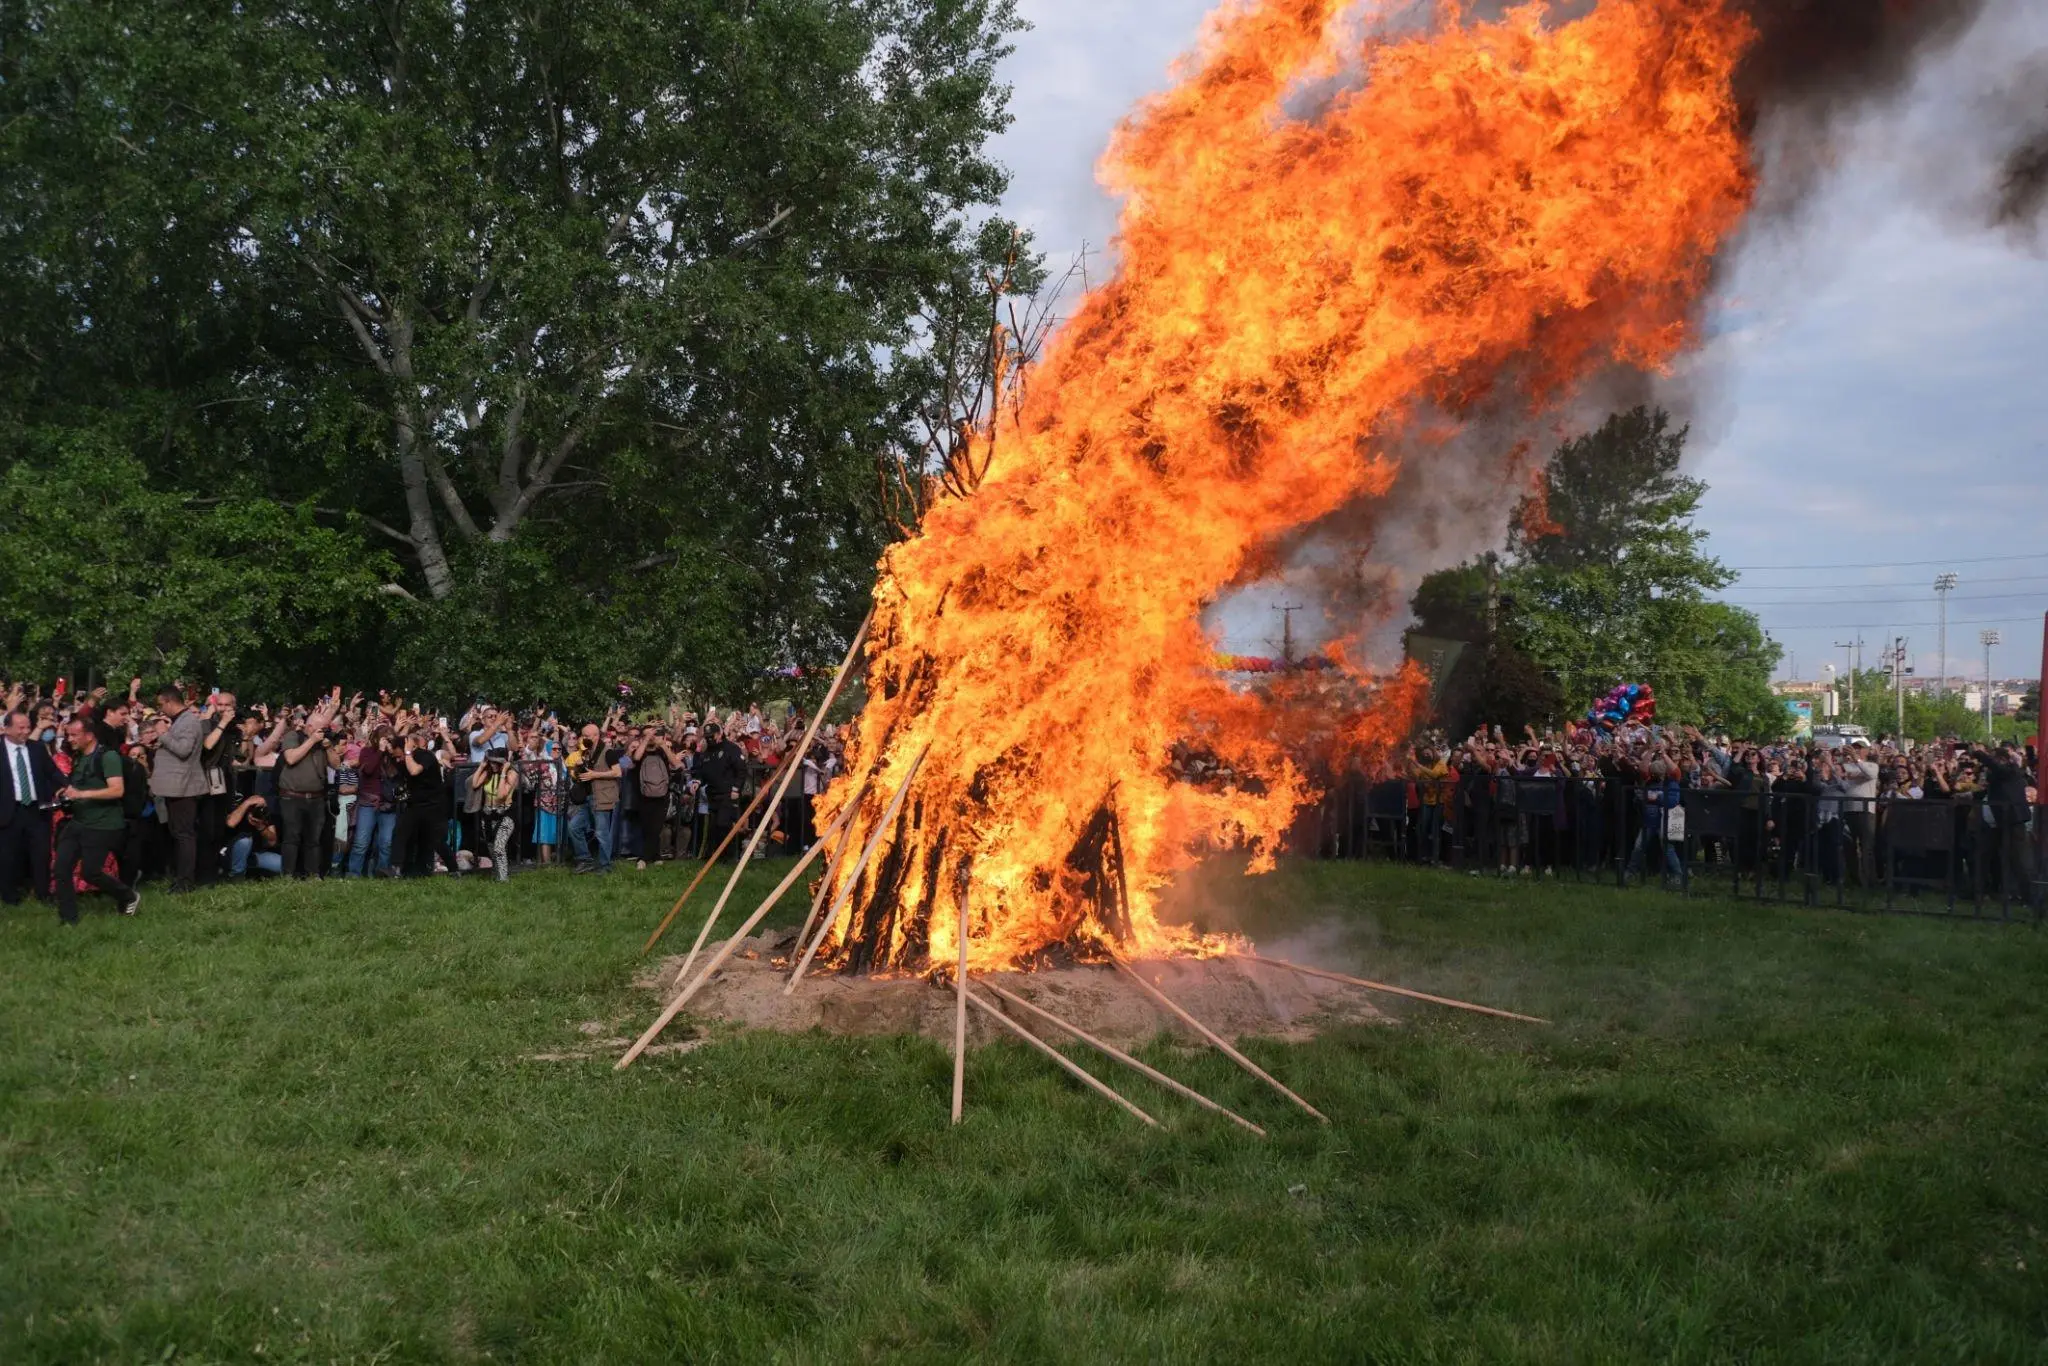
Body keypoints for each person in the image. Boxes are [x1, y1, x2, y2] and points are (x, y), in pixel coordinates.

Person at [53, 716, 141, 922]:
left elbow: (117, 790)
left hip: (102, 824)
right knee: (61, 868)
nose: (70, 739)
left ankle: (128, 896)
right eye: (68, 734)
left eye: (75, 735)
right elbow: (81, 785)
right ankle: (68, 919)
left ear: (90, 736)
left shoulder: (108, 757)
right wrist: (66, 791)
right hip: (78, 822)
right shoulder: (79, 757)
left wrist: (82, 795)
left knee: (90, 873)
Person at [263, 691, 339, 879]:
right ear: (310, 726)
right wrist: (312, 741)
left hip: (316, 798)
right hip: (292, 797)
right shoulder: (293, 736)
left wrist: (328, 747)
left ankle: (313, 874)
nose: (322, 732)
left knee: (314, 840)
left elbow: (337, 765)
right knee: (292, 838)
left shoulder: (323, 742)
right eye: (320, 728)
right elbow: (290, 758)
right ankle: (288, 875)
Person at [147, 685, 210, 893]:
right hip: (176, 787)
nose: (160, 710)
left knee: (184, 835)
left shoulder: (189, 721)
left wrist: (163, 734)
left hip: (184, 787)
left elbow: (183, 750)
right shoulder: (181, 721)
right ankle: (180, 878)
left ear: (168, 701)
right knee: (178, 833)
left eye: (160, 705)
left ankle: (185, 882)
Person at [0, 708, 65, 905]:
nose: (26, 732)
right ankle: (10, 895)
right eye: (21, 728)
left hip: (36, 810)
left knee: (41, 853)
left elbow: (52, 773)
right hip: (9, 810)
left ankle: (43, 893)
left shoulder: (36, 748)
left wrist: (66, 787)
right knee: (8, 855)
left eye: (28, 727)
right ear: (6, 729)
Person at [388, 728, 456, 877]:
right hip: (415, 805)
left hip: (433, 805)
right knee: (400, 832)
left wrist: (407, 753)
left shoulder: (425, 756)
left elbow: (414, 771)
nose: (397, 760)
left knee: (436, 840)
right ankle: (397, 869)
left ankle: (454, 869)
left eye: (398, 755)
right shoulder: (401, 759)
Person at [565, 724, 621, 873]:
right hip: (588, 798)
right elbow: (587, 773)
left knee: (602, 834)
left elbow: (617, 772)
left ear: (596, 736)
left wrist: (594, 774)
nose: (584, 738)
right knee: (574, 827)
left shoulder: (608, 752)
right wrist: (580, 769)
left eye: (587, 736)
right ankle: (585, 860)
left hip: (602, 797)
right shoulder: (587, 752)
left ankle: (605, 866)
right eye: (583, 736)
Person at [348, 726, 398, 876]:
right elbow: (368, 770)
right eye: (384, 738)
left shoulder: (394, 755)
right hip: (368, 803)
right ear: (376, 738)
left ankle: (382, 873)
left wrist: (392, 754)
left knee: (386, 843)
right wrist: (380, 751)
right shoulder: (367, 752)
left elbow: (398, 773)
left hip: (388, 804)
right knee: (361, 842)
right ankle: (353, 874)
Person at [695, 722, 747, 860]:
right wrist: (698, 781)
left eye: (712, 736)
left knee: (723, 824)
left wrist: (736, 789)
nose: (709, 739)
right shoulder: (707, 752)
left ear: (719, 734)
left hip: (728, 793)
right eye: (707, 737)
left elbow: (741, 770)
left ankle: (727, 857)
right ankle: (714, 856)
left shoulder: (731, 749)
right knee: (714, 827)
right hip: (712, 794)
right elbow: (703, 772)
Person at [471, 752, 521, 881]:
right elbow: (474, 784)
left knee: (499, 847)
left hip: (505, 814)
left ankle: (503, 879)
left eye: (495, 762)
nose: (492, 764)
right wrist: (481, 767)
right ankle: (496, 874)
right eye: (490, 762)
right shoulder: (488, 773)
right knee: (491, 847)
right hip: (487, 814)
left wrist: (503, 771)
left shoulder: (511, 774)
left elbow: (500, 795)